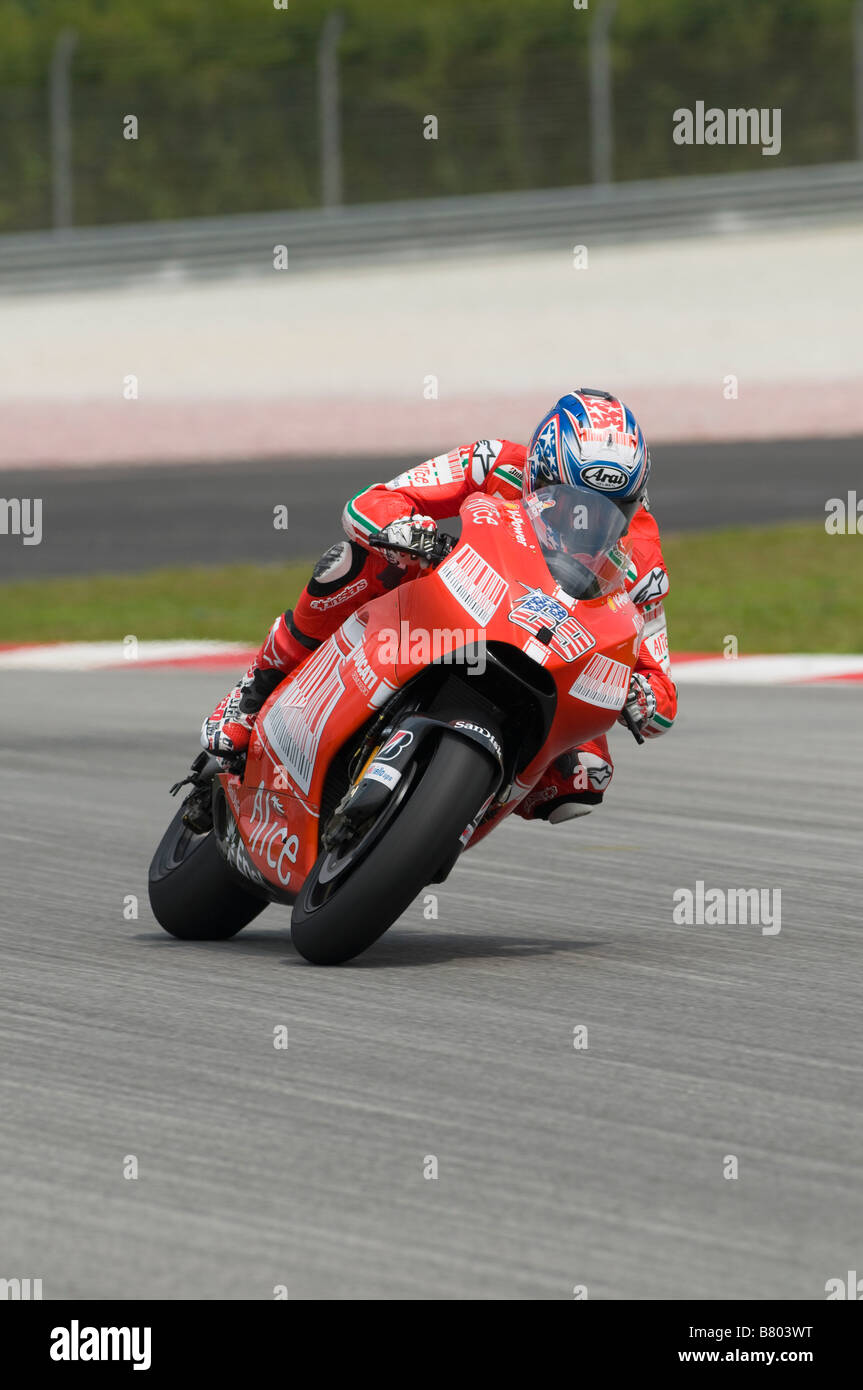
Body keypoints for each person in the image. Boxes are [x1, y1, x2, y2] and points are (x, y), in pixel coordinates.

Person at [202, 388, 677, 823]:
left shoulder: (644, 555)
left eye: (610, 510)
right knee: (349, 565)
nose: (586, 520)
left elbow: (658, 675)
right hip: (462, 601)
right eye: (571, 500)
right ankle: (252, 698)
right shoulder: (495, 462)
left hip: (555, 655)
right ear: (539, 472)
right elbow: (375, 502)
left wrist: (646, 697)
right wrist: (405, 533)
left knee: (584, 778)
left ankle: (451, 813)